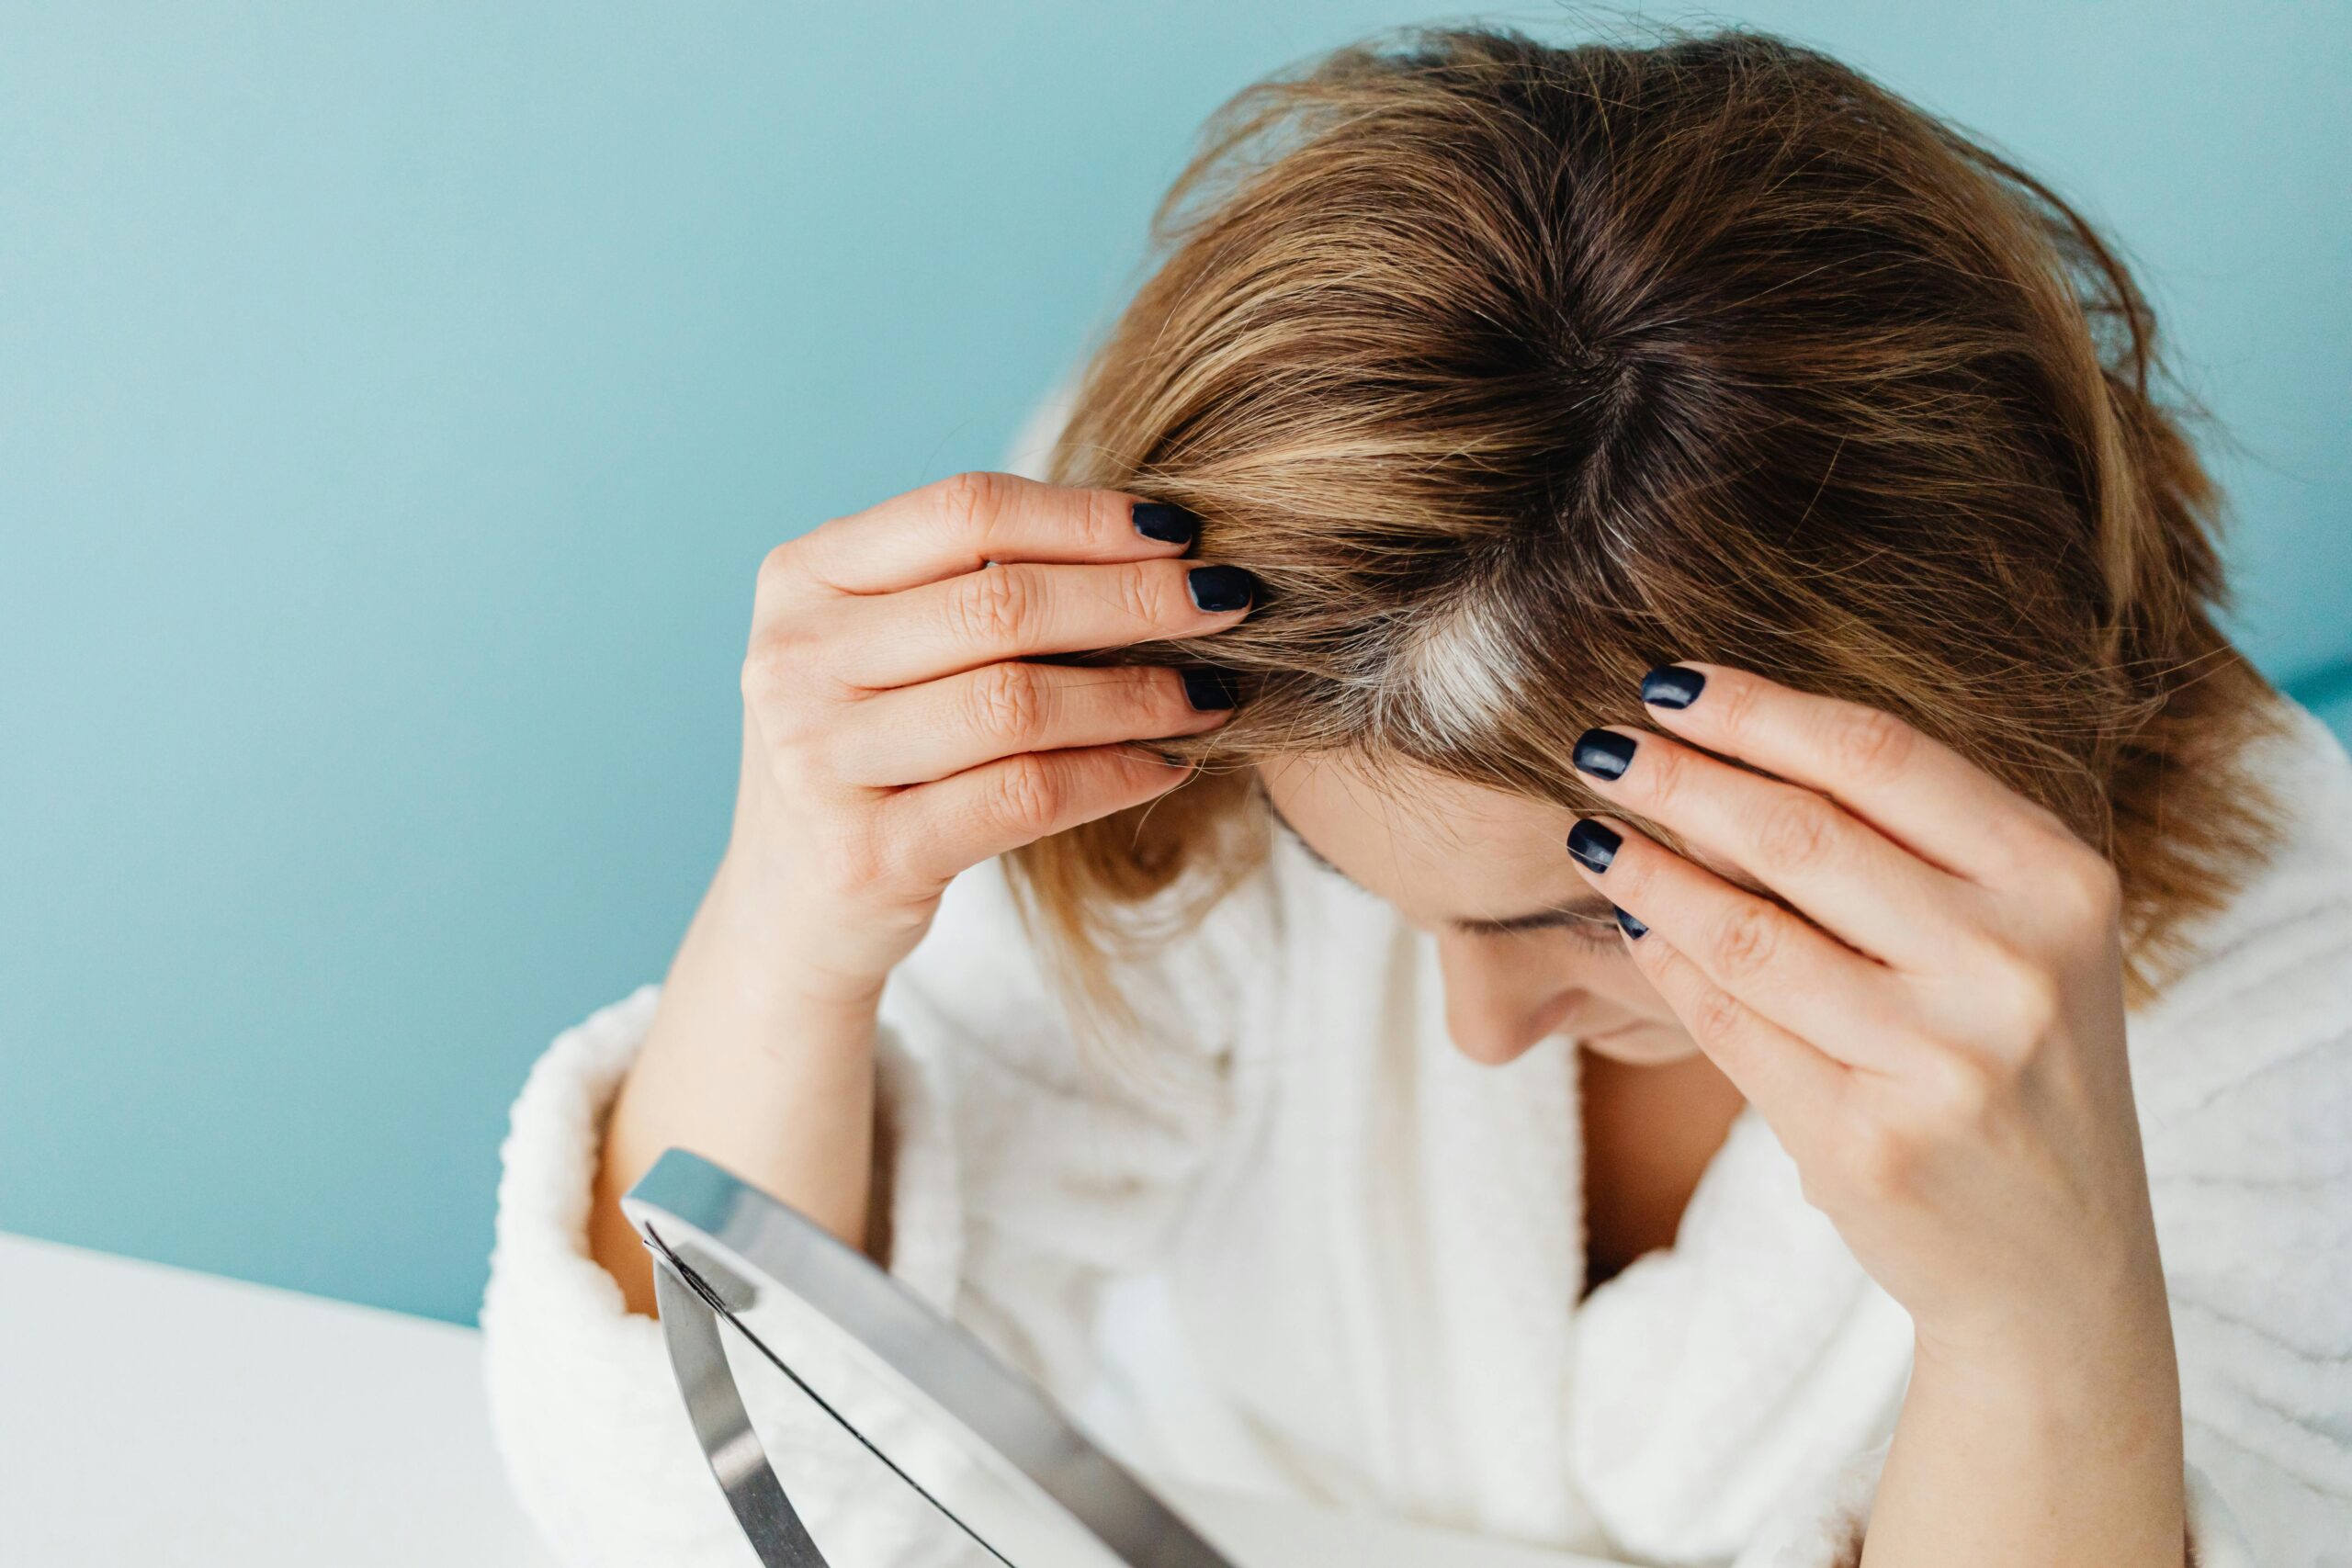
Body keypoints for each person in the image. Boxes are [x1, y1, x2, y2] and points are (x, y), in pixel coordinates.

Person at [479, 21, 2352, 1567]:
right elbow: (691, 1492)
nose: (1469, 1026)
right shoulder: (1252, 653)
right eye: (1356, 880)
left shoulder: (2286, 983)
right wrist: (792, 916)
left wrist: (2040, 1323)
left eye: (1586, 906)